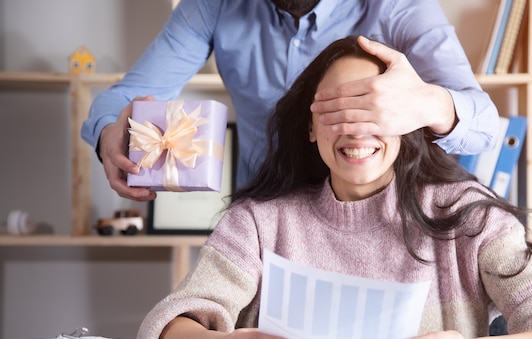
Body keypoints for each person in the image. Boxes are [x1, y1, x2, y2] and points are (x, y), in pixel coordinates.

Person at [137, 36, 532, 339]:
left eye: (373, 110)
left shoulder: (468, 218)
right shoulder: (259, 222)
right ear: (311, 129)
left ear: (406, 122)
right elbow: (168, 327)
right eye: (336, 112)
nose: (356, 131)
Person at [81, 0, 500, 201]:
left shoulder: (399, 7)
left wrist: (427, 105)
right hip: (261, 224)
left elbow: (484, 125)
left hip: (379, 224)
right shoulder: (213, 6)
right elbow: (125, 97)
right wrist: (108, 132)